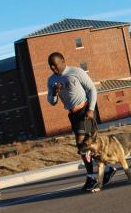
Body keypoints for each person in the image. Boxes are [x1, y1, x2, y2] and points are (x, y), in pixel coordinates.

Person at [47, 52, 114, 192]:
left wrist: (90, 109)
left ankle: (91, 176)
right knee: (89, 145)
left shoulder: (76, 72)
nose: (53, 68)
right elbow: (52, 102)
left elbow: (91, 89)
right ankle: (107, 168)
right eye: (51, 66)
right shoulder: (51, 80)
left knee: (81, 143)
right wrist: (54, 93)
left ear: (63, 61)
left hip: (84, 112)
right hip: (73, 115)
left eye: (55, 65)